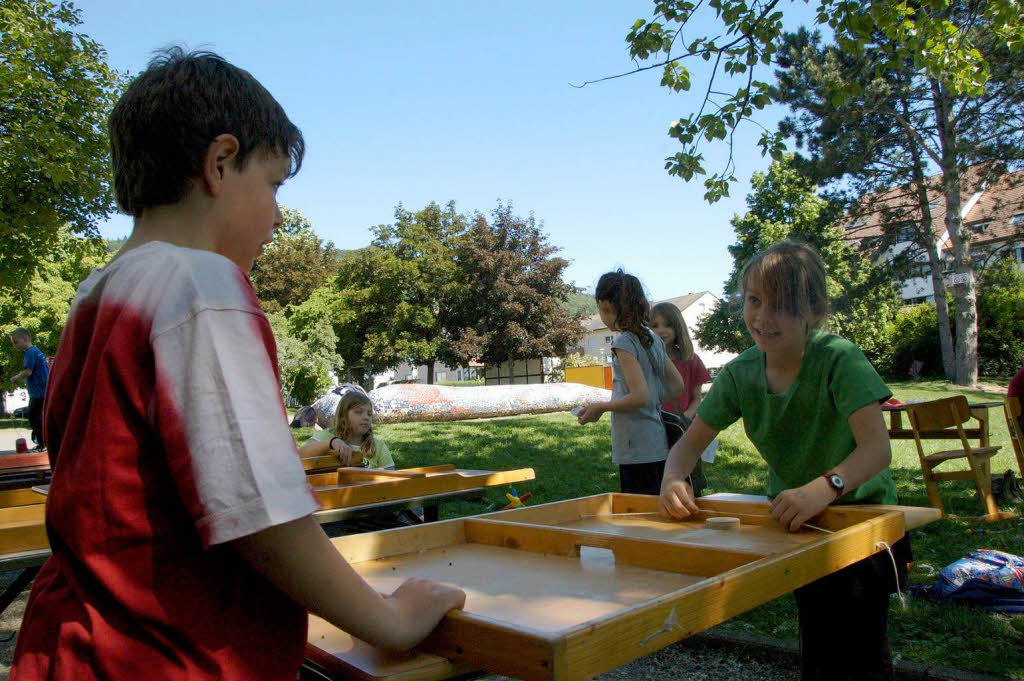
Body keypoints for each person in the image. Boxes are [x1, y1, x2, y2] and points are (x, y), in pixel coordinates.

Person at [11, 49, 464, 681]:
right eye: (274, 185)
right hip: (174, 655)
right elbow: (261, 514)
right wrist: (390, 617)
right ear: (220, 163)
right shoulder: (200, 286)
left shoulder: (97, 291)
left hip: (75, 644)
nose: (277, 217)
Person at [658, 241, 909, 681]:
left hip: (863, 521)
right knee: (817, 646)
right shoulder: (740, 374)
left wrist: (824, 487)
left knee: (864, 655)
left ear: (813, 308)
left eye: (780, 304)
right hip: (799, 526)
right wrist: (673, 476)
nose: (762, 318)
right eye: (754, 301)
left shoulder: (839, 359)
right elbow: (686, 445)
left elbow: (877, 449)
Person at [576, 270, 685, 495]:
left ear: (607, 307)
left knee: (639, 515)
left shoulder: (624, 342)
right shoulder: (652, 338)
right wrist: (652, 399)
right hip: (657, 442)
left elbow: (640, 396)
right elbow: (676, 385)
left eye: (601, 309)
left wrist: (602, 407)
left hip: (635, 447)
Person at [298, 386, 396, 469]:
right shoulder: (326, 437)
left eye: (369, 414)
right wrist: (331, 442)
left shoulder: (377, 446)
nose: (366, 417)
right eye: (359, 412)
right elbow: (299, 457)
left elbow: (392, 480)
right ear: (343, 416)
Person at [649, 302, 711, 422]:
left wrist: (684, 418)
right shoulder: (644, 360)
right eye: (655, 326)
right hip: (652, 425)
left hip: (681, 426)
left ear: (678, 327)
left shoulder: (692, 360)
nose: (661, 330)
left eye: (668, 325)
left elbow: (697, 399)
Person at [8, 328, 49, 451]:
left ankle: (43, 445)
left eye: (16, 342)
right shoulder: (37, 351)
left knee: (34, 418)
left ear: (25, 339)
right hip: (43, 390)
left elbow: (28, 371)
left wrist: (15, 378)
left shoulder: (30, 352)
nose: (15, 346)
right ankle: (43, 443)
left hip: (38, 392)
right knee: (38, 417)